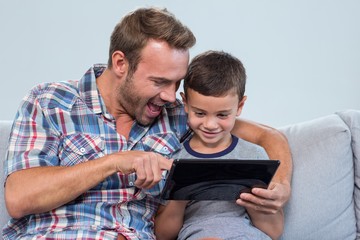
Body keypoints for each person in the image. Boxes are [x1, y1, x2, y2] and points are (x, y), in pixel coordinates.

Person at [3, 7, 291, 240]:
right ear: (120, 64)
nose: (169, 95)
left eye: (176, 83)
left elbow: (269, 137)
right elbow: (19, 198)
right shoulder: (50, 101)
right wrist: (115, 162)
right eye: (159, 81)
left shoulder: (182, 115)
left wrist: (281, 185)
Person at [155, 50, 283, 240]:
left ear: (239, 107)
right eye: (200, 113)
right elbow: (163, 235)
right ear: (186, 104)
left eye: (222, 115)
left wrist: (251, 196)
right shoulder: (174, 159)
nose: (210, 125)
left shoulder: (253, 155)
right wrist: (180, 192)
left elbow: (274, 231)